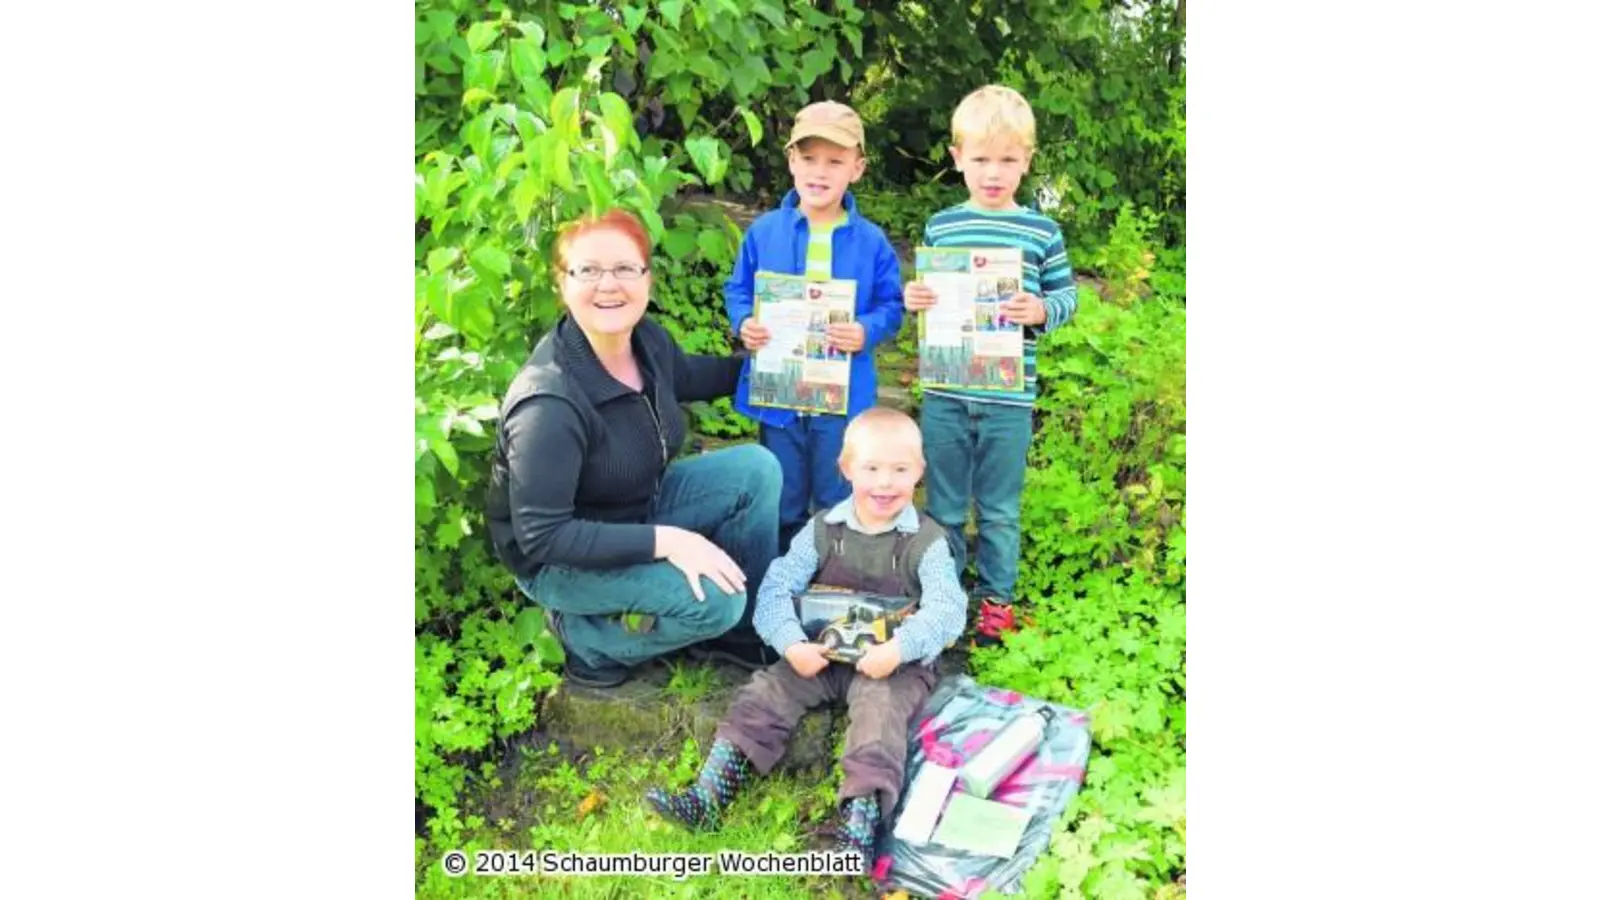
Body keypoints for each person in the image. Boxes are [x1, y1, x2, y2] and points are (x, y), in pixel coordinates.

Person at [645, 408, 967, 866]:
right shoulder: (821, 530)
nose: (885, 482)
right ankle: (709, 793)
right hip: (820, 652)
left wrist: (899, 650)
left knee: (879, 717)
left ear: (920, 472)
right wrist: (791, 644)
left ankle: (859, 823)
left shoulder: (927, 542)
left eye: (900, 469)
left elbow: (948, 611)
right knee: (765, 691)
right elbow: (776, 588)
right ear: (846, 468)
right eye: (871, 468)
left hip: (890, 664)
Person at [484, 208, 783, 688]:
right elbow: (545, 537)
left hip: (636, 508)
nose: (609, 285)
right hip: (562, 561)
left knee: (756, 468)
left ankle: (743, 631)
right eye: (589, 270)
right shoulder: (548, 403)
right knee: (717, 599)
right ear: (562, 283)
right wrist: (672, 542)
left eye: (625, 268)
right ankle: (587, 642)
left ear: (647, 278)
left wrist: (774, 363)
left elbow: (689, 377)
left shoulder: (645, 341)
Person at [903, 85, 1079, 647]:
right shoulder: (942, 226)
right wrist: (918, 300)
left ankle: (998, 602)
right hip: (948, 391)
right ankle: (947, 596)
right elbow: (927, 291)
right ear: (957, 159)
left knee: (1000, 509)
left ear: (1027, 160)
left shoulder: (1041, 232)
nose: (993, 172)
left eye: (1007, 160)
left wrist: (1041, 310)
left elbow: (1068, 297)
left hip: (1009, 398)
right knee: (946, 505)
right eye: (980, 159)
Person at [725, 100, 905, 553]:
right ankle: (779, 582)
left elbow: (892, 305)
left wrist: (866, 330)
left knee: (837, 496)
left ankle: (833, 577)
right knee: (780, 496)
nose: (819, 172)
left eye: (834, 161)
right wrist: (745, 321)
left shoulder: (871, 241)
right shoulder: (764, 233)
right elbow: (738, 290)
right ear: (791, 162)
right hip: (779, 397)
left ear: (857, 169)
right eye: (808, 159)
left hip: (842, 399)